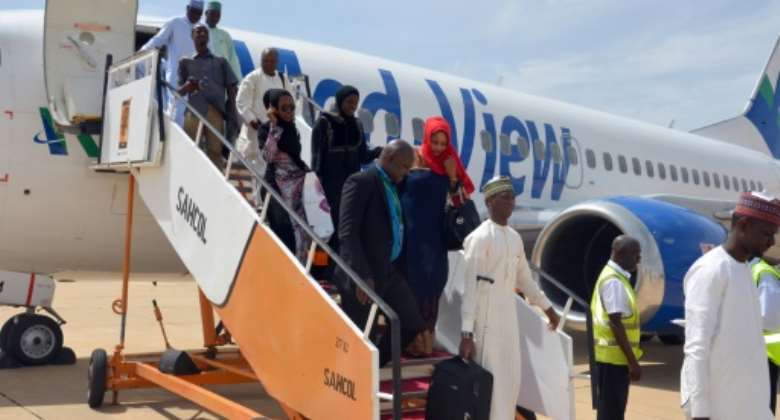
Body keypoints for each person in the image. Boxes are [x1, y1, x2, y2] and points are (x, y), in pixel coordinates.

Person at [458, 176, 560, 420]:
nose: (512, 202)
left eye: (513, 197)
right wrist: (466, 335)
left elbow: (524, 279)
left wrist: (548, 308)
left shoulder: (514, 238)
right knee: (490, 385)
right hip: (485, 325)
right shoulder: (479, 238)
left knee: (510, 381)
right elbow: (469, 289)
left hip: (508, 324)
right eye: (505, 197)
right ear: (490, 201)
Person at [681, 191, 780, 420]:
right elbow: (696, 346)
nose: (772, 242)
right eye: (767, 234)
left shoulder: (743, 267)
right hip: (719, 408)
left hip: (747, 406)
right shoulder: (711, 270)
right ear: (743, 225)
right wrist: (700, 412)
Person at [336, 140, 425, 366]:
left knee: (412, 322)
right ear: (390, 159)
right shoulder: (361, 182)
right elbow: (347, 233)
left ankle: (374, 366)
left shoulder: (393, 186)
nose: (406, 174)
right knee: (364, 333)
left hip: (387, 270)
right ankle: (359, 376)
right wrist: (362, 275)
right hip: (362, 276)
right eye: (404, 167)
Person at [401, 116, 475, 354]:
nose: (439, 148)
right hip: (409, 236)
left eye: (444, 143)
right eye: (435, 142)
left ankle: (423, 344)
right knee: (408, 287)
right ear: (427, 138)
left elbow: (459, 201)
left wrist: (452, 177)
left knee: (430, 289)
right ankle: (406, 342)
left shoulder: (449, 162)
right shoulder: (413, 155)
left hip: (433, 239)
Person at [311, 85, 382, 252]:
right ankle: (321, 270)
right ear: (340, 101)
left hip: (350, 187)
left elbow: (363, 156)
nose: (353, 106)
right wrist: (318, 188)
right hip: (329, 188)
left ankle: (336, 270)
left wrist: (378, 152)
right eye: (349, 102)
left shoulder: (357, 125)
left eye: (355, 103)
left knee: (346, 228)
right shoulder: (324, 123)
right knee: (327, 229)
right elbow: (316, 159)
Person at [591, 235, 643, 420]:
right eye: (636, 254)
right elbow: (615, 322)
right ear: (620, 254)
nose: (639, 259)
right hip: (613, 360)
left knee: (611, 412)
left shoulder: (615, 277)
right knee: (611, 413)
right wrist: (633, 362)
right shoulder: (614, 282)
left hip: (612, 359)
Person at [258, 89, 310, 263]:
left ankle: (301, 272)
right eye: (284, 108)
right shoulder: (266, 129)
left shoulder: (293, 128)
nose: (289, 112)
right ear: (273, 109)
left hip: (296, 187)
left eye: (292, 108)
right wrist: (274, 127)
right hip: (277, 188)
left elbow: (295, 156)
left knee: (302, 234)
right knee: (284, 233)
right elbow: (267, 156)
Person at [178, 23, 238, 168]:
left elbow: (232, 89)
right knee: (190, 148)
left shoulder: (220, 61)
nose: (202, 34)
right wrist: (188, 86)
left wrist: (233, 114)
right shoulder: (185, 62)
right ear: (192, 36)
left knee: (215, 151)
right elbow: (179, 91)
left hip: (215, 112)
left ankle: (215, 186)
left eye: (205, 32)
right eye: (198, 32)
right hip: (193, 111)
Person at [236, 48, 288, 201]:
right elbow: (241, 101)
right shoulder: (252, 78)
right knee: (257, 167)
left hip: (276, 131)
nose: (268, 63)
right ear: (261, 61)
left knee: (271, 168)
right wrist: (251, 119)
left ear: (277, 62)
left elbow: (289, 101)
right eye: (265, 60)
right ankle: (257, 203)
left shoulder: (282, 79)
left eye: (272, 61)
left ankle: (266, 202)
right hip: (256, 130)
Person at [141, 0, 204, 124]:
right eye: (193, 11)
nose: (196, 15)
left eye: (199, 13)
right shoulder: (175, 23)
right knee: (176, 113)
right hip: (176, 77)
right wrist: (139, 54)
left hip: (196, 80)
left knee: (190, 116)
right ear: (187, 8)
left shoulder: (202, 30)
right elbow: (156, 41)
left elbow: (209, 53)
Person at [751, 257, 780, 413]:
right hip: (767, 352)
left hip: (767, 351)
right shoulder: (766, 274)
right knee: (764, 407)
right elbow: (769, 318)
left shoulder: (761, 270)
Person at [204, 1, 241, 81]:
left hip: (221, 78)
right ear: (206, 13)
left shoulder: (224, 35)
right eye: (212, 14)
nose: (215, 18)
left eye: (218, 15)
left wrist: (238, 81)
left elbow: (232, 59)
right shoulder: (199, 31)